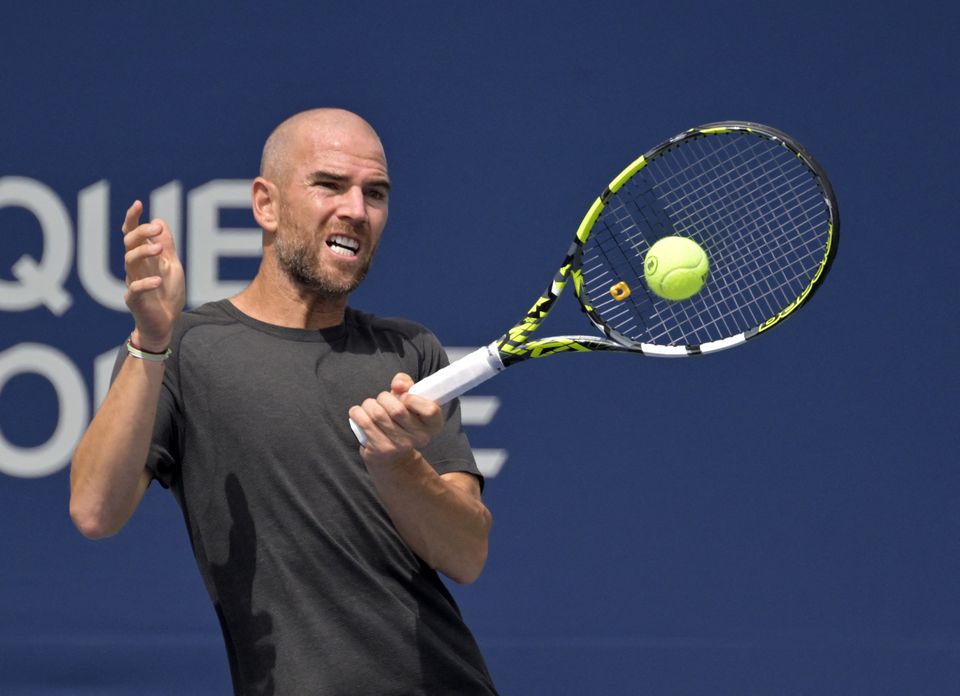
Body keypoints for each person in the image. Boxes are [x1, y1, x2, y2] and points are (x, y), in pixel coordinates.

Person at [69, 108, 499, 695]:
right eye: (329, 184)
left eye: (375, 193)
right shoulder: (184, 348)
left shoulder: (410, 350)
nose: (356, 209)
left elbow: (467, 554)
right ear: (265, 204)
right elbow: (95, 511)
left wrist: (399, 464)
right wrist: (151, 341)